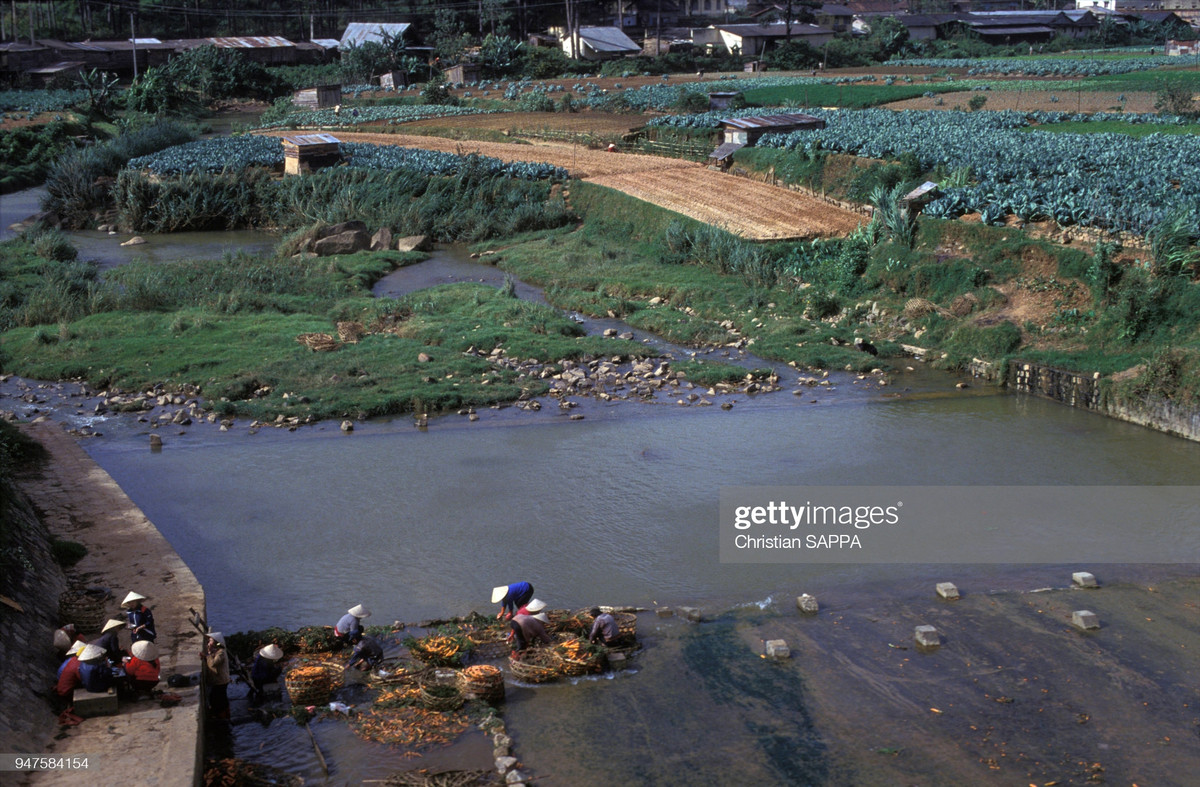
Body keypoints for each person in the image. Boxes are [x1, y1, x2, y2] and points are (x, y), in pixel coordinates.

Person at [203, 632, 230, 720]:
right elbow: (211, 659)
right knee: (220, 699)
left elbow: (213, 663)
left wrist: (209, 653)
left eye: (210, 640)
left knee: (218, 700)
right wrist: (207, 656)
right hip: (219, 680)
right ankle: (224, 717)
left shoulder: (221, 653)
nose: (209, 642)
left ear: (215, 642)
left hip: (221, 681)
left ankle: (223, 718)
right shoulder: (217, 651)